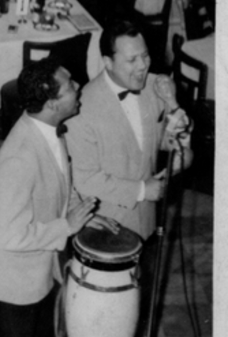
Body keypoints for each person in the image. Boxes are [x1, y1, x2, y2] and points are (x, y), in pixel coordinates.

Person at [65, 19, 193, 335]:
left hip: (146, 224)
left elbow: (163, 144)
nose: (143, 67)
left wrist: (176, 115)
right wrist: (141, 189)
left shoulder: (152, 87)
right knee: (101, 320)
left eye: (146, 56)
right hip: (106, 233)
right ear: (107, 62)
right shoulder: (83, 107)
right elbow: (84, 179)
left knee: (138, 309)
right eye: (132, 60)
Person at [0, 58, 116, 337]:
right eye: (71, 85)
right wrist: (68, 226)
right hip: (11, 288)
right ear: (52, 103)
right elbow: (7, 235)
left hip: (37, 277)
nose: (79, 87)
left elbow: (58, 181)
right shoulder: (19, 158)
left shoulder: (49, 130)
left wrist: (82, 214)